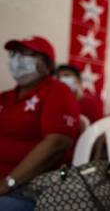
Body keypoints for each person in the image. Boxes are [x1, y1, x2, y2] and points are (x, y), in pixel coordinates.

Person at [0, 36, 80, 210]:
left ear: (47, 65)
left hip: (28, 189)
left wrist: (8, 182)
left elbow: (57, 142)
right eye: (14, 53)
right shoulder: (5, 97)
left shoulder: (58, 91)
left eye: (27, 54)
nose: (17, 59)